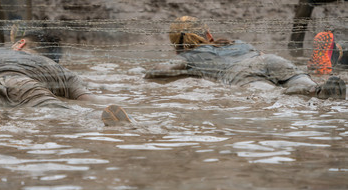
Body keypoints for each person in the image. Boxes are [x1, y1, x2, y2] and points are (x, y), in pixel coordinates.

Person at [0, 30, 132, 127]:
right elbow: (90, 100)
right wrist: (130, 101)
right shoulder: (50, 66)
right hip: (24, 86)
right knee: (67, 112)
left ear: (20, 44)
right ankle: (105, 120)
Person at [144, 16, 346, 100]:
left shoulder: (191, 57)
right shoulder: (235, 42)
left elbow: (157, 72)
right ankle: (315, 86)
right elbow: (260, 56)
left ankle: (309, 92)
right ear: (209, 34)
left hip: (241, 74)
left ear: (176, 47)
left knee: (272, 95)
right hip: (267, 59)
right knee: (297, 79)